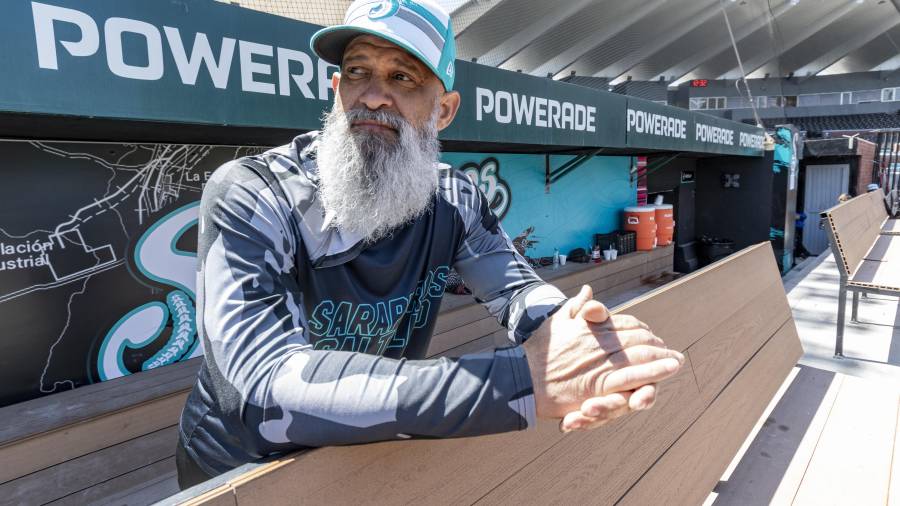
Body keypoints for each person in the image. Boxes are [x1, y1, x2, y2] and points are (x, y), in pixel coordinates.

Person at [175, 0, 683, 489]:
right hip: (239, 471)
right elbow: (262, 391)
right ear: (335, 89)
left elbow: (517, 291)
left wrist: (587, 347)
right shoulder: (252, 193)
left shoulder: (454, 197)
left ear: (443, 110)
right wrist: (526, 379)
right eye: (356, 72)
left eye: (402, 77)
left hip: (366, 447)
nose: (372, 96)